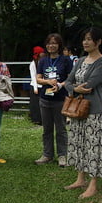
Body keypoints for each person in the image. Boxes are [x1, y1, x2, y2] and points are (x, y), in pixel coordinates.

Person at [64, 27, 102, 199]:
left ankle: (93, 184)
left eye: (90, 39)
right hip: (77, 110)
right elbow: (68, 81)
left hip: (94, 111)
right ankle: (80, 179)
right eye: (84, 39)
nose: (86, 42)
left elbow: (90, 86)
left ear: (98, 42)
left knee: (94, 146)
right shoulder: (81, 60)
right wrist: (75, 87)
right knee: (78, 143)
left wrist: (74, 87)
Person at [34, 34, 73, 167]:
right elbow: (38, 78)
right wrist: (48, 81)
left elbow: (70, 79)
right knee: (47, 129)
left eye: (54, 43)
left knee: (61, 129)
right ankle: (47, 155)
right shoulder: (43, 60)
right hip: (45, 98)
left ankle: (62, 155)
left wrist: (60, 85)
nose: (51, 46)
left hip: (60, 99)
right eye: (49, 43)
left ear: (59, 45)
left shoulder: (66, 60)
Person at [29, 46, 45, 125]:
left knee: (43, 103)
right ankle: (36, 119)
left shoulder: (44, 62)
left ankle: (43, 119)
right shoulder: (33, 64)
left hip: (43, 85)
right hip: (35, 85)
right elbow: (33, 77)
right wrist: (35, 88)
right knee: (35, 104)